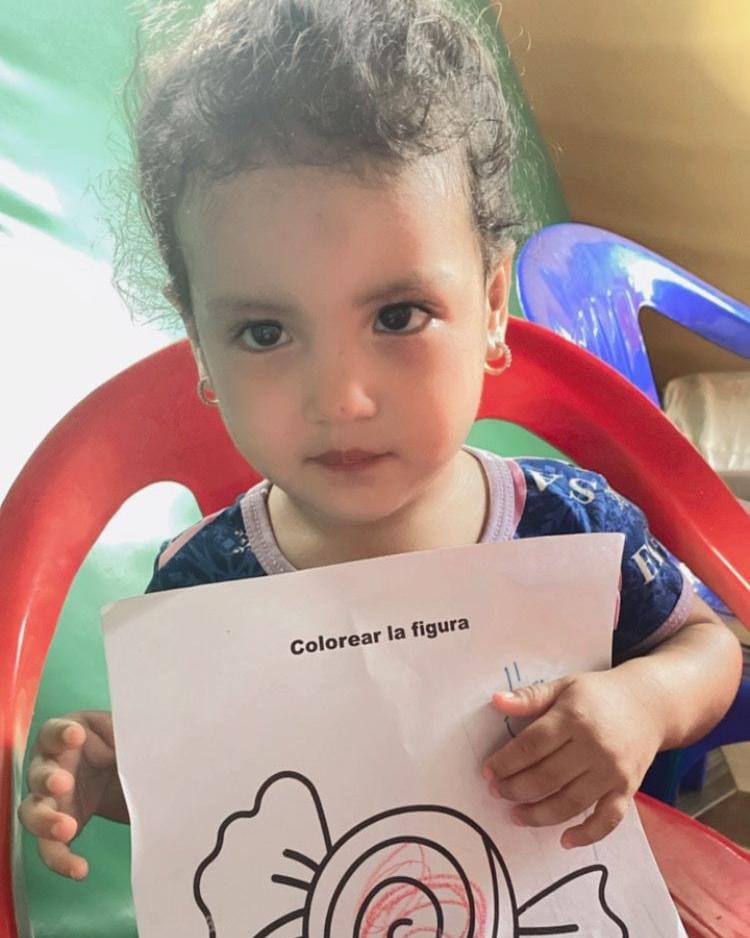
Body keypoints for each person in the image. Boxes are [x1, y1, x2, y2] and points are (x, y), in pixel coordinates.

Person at [18, 0, 742, 880]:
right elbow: (211, 786)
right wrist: (115, 780)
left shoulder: (571, 522)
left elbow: (709, 649)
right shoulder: (201, 587)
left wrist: (643, 703)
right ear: (200, 344)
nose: (342, 399)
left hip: (571, 928)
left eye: (398, 316)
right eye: (263, 332)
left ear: (491, 307)